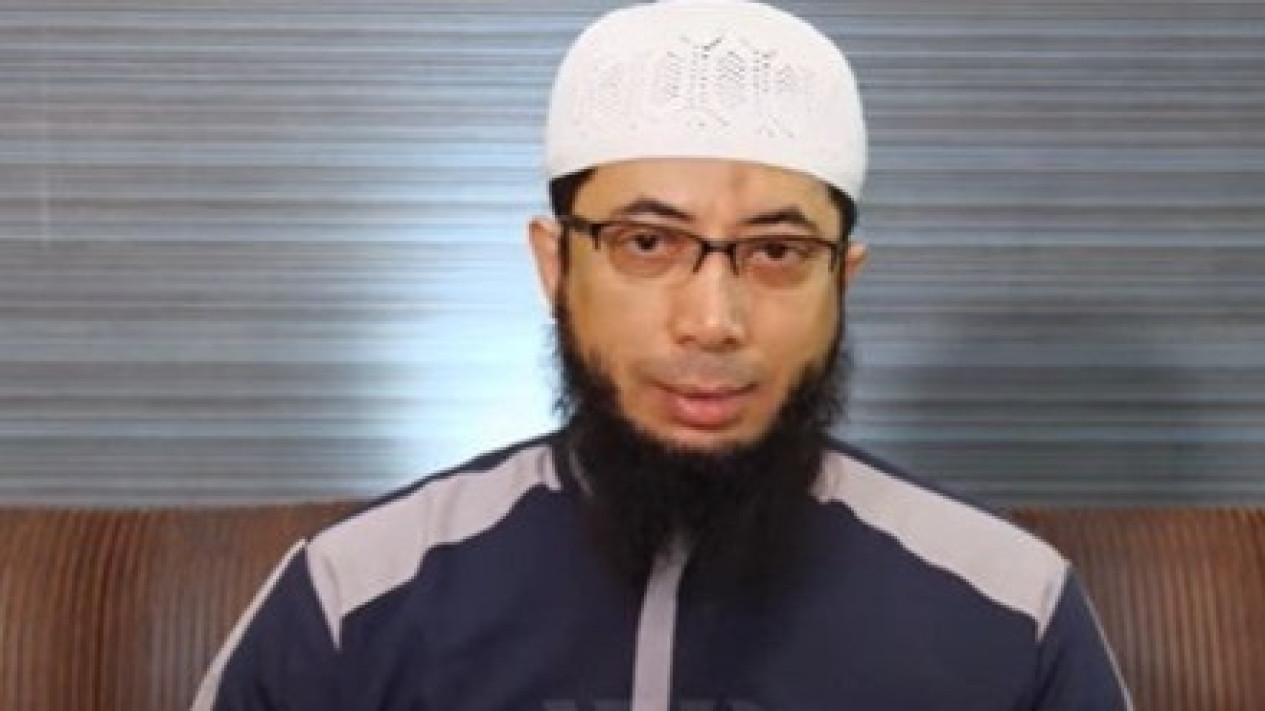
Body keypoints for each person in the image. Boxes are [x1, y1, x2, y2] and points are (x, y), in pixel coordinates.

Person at [192, 1, 1132, 709]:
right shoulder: (354, 596)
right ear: (554, 265)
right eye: (646, 242)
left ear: (841, 280)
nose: (712, 320)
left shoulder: (1009, 608)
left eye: (776, 251)